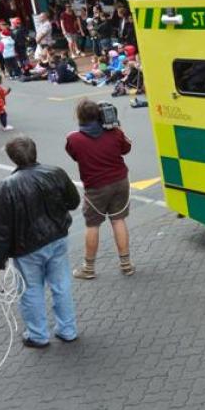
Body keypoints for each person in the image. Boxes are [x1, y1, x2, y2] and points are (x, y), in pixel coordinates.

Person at [0, 136, 81, 348]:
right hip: (57, 238)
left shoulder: (7, 186)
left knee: (31, 289)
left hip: (27, 247)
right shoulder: (55, 172)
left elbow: (2, 229)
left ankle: (38, 335)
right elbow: (74, 201)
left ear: (14, 158)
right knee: (61, 285)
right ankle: (68, 329)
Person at [67, 98, 134, 278]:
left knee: (92, 224)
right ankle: (126, 264)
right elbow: (126, 148)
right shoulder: (114, 133)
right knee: (118, 220)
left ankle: (89, 268)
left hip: (96, 187)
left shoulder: (74, 139)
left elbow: (74, 155)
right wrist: (118, 128)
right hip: (120, 181)